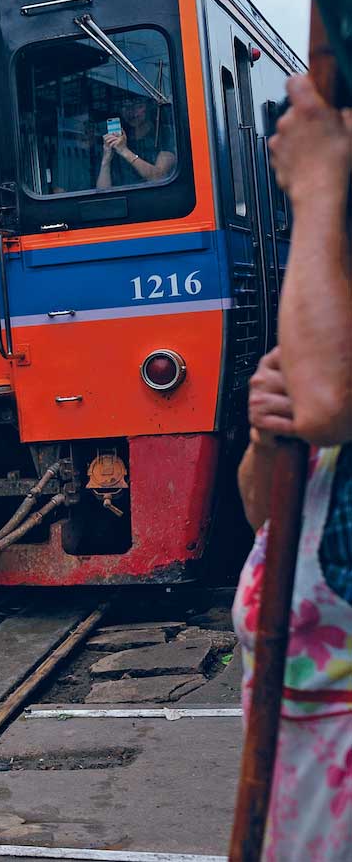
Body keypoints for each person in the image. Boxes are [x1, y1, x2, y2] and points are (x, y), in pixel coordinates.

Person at [233, 72, 352, 858]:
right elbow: (265, 515)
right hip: (304, 784)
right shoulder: (320, 325)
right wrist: (266, 441)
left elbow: (329, 405)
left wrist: (313, 194)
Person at [96, 94, 176, 188]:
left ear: (148, 107)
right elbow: (102, 192)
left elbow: (159, 177)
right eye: (125, 106)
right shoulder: (119, 138)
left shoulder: (164, 133)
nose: (131, 112)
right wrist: (106, 160)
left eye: (138, 105)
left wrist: (124, 151)